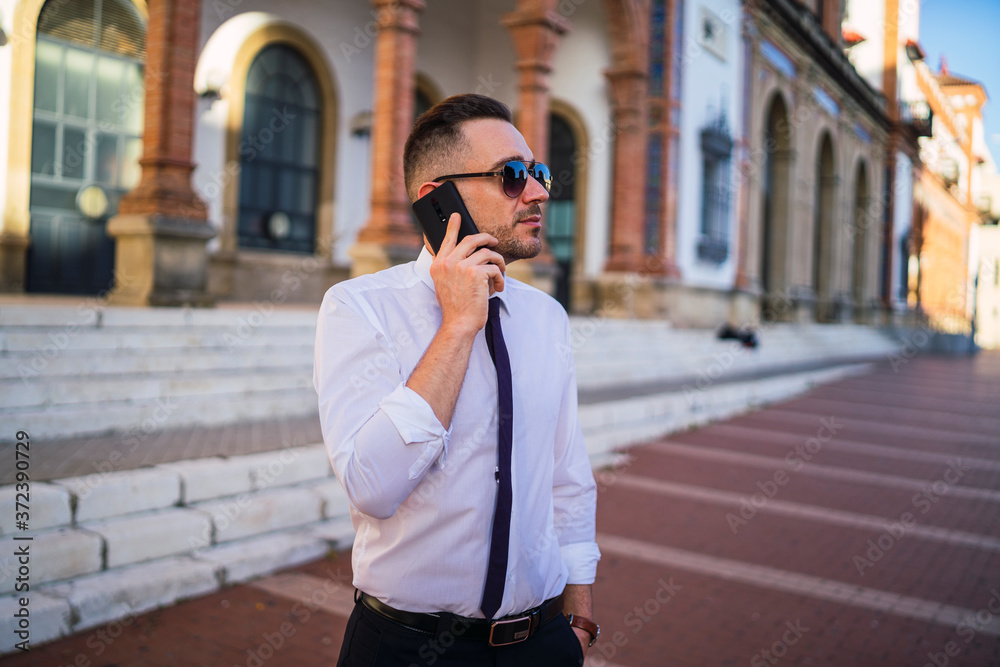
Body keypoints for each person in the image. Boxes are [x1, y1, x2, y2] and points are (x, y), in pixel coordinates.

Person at [314, 93, 600, 666]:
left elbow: (566, 476)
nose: (540, 191)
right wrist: (459, 326)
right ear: (436, 200)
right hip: (407, 647)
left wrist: (579, 616)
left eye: (537, 172)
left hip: (541, 643)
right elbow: (374, 486)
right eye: (512, 176)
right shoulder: (359, 308)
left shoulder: (547, 318)